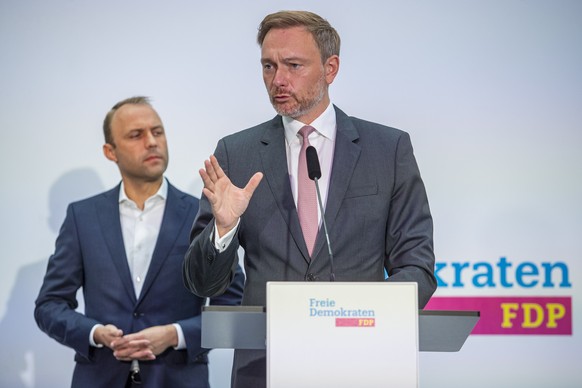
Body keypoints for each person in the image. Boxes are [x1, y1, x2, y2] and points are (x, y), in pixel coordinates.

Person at [183, 10, 436, 388]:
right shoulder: (237, 153)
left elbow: (417, 266)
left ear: (330, 68)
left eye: (293, 65)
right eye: (268, 66)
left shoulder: (388, 149)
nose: (278, 80)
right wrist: (224, 228)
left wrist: (363, 320)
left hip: (364, 364)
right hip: (264, 368)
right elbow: (203, 284)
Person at [35, 96, 245, 388]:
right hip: (100, 377)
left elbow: (234, 313)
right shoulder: (82, 217)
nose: (151, 142)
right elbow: (49, 305)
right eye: (136, 135)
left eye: (157, 132)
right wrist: (95, 333)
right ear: (111, 151)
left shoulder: (203, 215)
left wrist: (175, 334)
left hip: (178, 379)